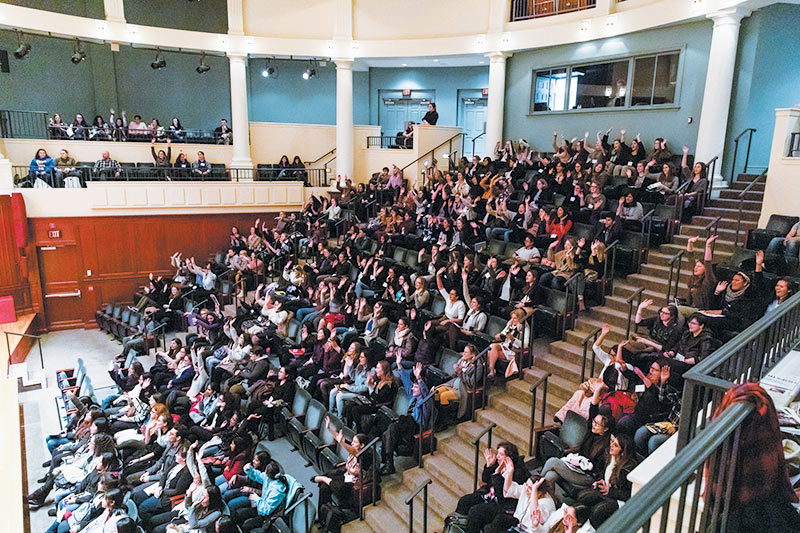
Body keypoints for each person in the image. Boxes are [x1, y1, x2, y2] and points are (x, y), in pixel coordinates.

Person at [454, 442, 528, 533]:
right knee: (464, 501)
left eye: (501, 454)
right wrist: (489, 466)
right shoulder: (498, 464)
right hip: (489, 495)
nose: (497, 456)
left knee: (475, 512)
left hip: (503, 505)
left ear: (509, 457)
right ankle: (456, 527)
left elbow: (502, 495)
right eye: (497, 453)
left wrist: (497, 473)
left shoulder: (517, 473)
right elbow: (486, 480)